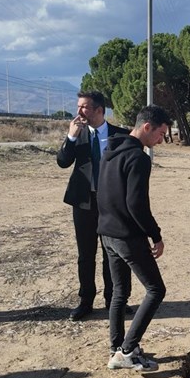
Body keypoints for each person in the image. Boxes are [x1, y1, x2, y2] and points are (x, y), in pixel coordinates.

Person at [99, 105, 173, 372]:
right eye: (161, 134)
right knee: (156, 290)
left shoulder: (109, 151)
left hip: (106, 234)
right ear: (146, 127)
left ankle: (116, 347)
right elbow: (136, 204)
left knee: (120, 292)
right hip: (127, 236)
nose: (161, 140)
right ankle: (128, 350)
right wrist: (156, 235)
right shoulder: (139, 159)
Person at [56, 91, 130, 321]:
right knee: (85, 255)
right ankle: (85, 301)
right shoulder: (77, 135)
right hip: (83, 202)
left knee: (113, 254)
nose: (79, 112)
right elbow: (62, 162)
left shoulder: (120, 135)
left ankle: (114, 300)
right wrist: (70, 137)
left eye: (85, 107)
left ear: (100, 110)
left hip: (111, 204)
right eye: (78, 106)